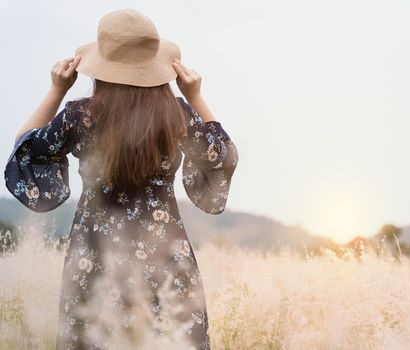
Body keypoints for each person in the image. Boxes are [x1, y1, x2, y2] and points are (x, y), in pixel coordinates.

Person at [4, 8, 238, 350]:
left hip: (96, 257)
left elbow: (25, 149)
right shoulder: (177, 114)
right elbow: (223, 153)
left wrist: (56, 90)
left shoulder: (80, 116)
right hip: (165, 257)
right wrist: (196, 97)